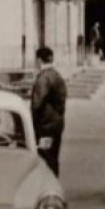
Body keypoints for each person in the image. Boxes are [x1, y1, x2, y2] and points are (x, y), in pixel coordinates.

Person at [30, 46, 68, 176]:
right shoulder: (57, 76)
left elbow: (37, 103)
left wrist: (32, 122)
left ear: (39, 60)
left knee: (45, 159)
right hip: (56, 124)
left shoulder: (44, 78)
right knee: (53, 157)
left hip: (45, 126)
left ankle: (48, 187)